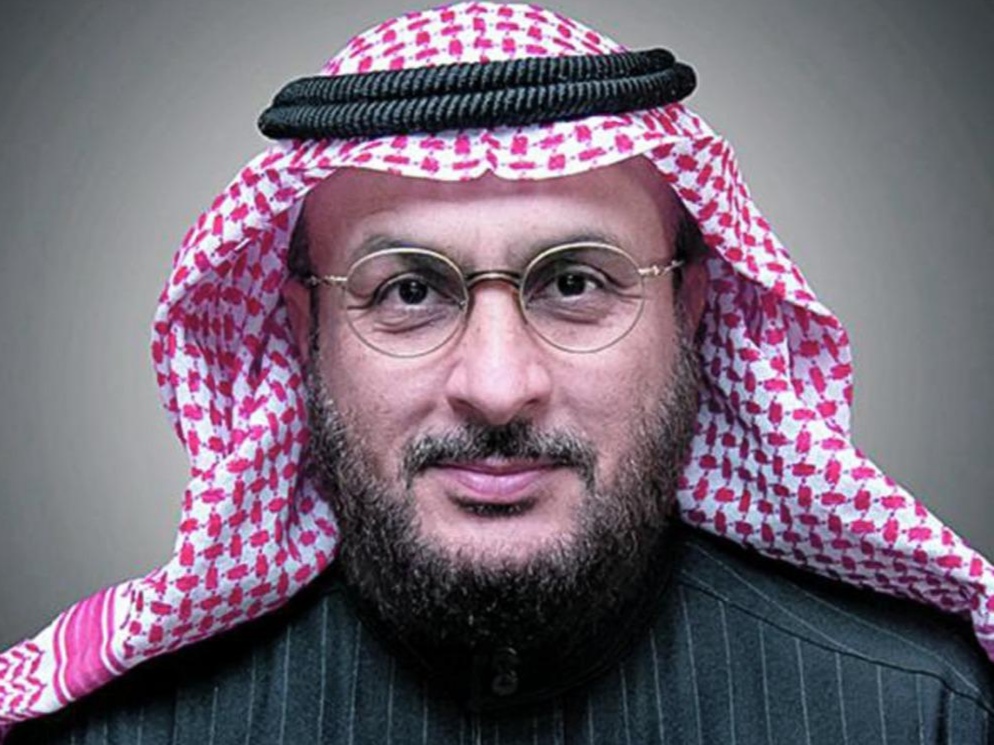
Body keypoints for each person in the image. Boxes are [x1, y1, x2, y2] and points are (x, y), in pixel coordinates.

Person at [2, 3, 993, 742]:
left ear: (690, 310)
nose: (497, 383)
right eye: (407, 291)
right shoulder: (121, 732)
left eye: (573, 282)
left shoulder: (920, 712)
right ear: (306, 330)